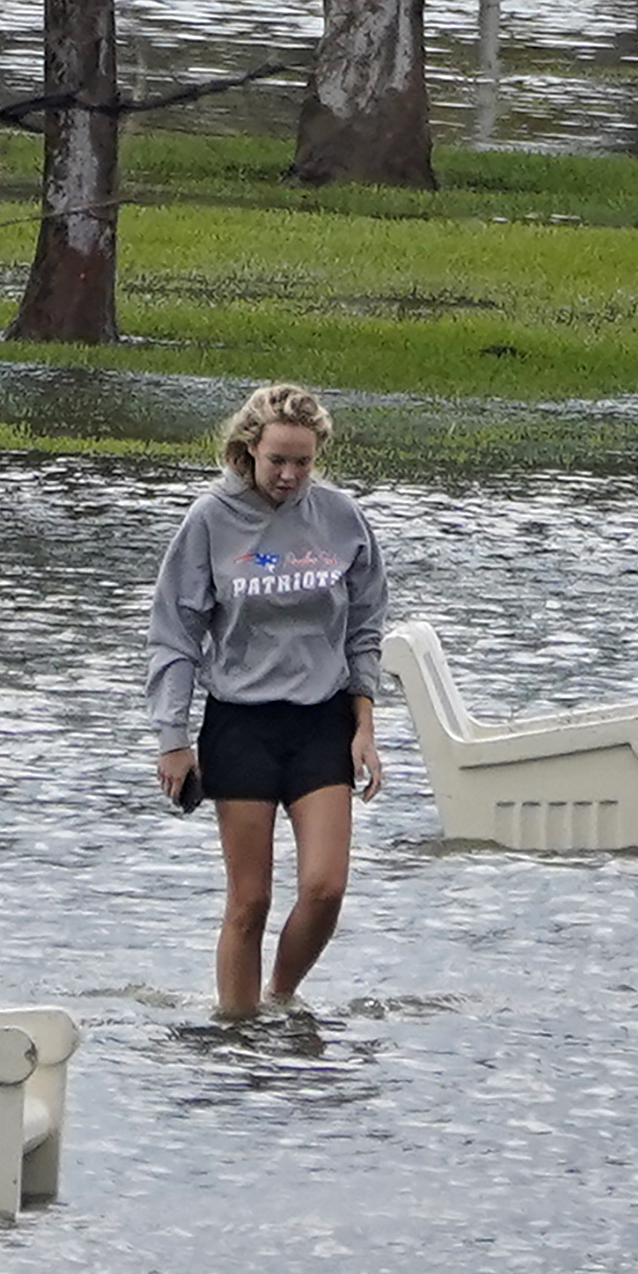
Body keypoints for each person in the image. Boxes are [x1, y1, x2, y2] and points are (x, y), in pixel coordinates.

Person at [146, 382, 385, 1020]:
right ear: (247, 449)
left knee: (325, 887)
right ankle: (237, 1032)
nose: (288, 475)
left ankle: (280, 998)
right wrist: (173, 737)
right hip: (240, 722)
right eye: (277, 459)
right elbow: (176, 632)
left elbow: (365, 627)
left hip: (320, 721)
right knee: (248, 901)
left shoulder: (340, 517)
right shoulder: (210, 519)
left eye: (302, 461)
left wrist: (365, 725)